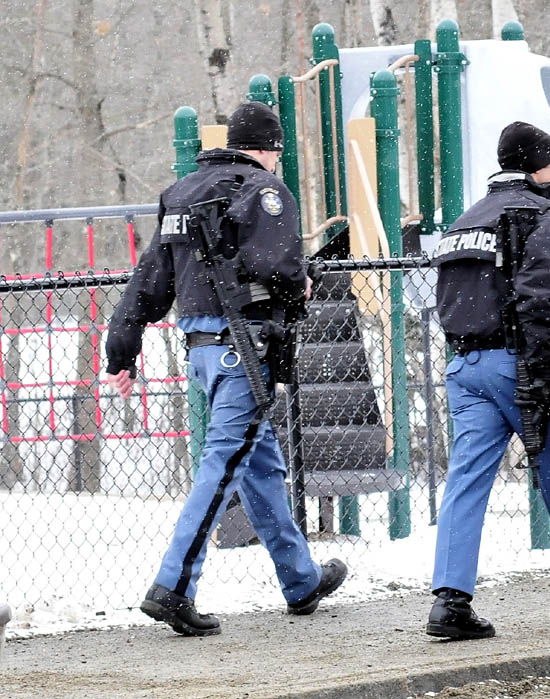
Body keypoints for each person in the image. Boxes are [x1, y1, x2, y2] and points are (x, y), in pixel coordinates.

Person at [106, 101, 347, 637]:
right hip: (246, 347)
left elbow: (151, 280)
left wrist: (122, 347)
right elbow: (273, 266)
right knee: (222, 463)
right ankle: (173, 587)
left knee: (260, 465)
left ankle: (301, 578)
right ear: (269, 150)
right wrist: (300, 277)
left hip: (203, 350)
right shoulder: (263, 189)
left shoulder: (182, 193)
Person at [426, 121, 550, 641]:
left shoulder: (464, 222)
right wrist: (537, 381)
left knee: (466, 482)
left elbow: (448, 301)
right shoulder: (545, 217)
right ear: (536, 164)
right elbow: (542, 300)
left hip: (465, 368)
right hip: (521, 365)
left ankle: (450, 601)